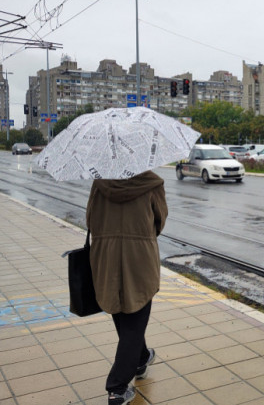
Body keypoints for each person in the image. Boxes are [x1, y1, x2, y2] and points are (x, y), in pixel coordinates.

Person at [86, 170, 168, 405]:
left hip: (106, 256)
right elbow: (159, 220)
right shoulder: (152, 182)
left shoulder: (100, 184)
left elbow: (90, 219)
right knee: (135, 318)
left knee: (121, 312)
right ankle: (117, 388)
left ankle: (141, 359)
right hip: (139, 256)